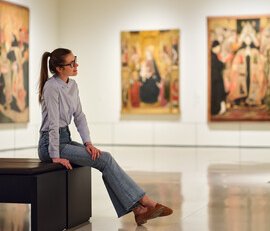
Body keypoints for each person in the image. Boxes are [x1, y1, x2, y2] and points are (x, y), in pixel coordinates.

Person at [37, 48, 173, 225]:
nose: (76, 65)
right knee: (105, 159)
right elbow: (53, 124)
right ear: (59, 69)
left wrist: (88, 143)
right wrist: (55, 156)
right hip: (50, 145)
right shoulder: (51, 87)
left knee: (101, 158)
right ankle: (145, 202)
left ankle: (139, 210)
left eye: (75, 60)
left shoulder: (72, 86)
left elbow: (79, 116)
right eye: (71, 63)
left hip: (64, 140)